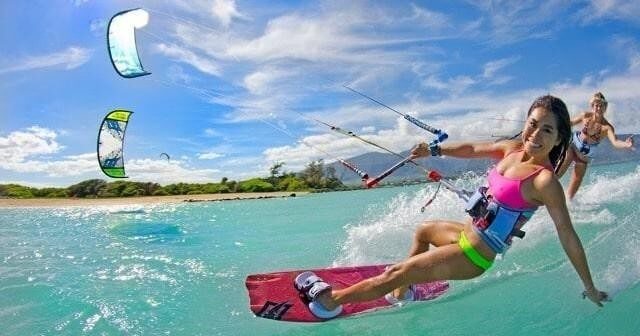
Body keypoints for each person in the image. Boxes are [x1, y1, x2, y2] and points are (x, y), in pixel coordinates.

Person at [293, 95, 609, 319]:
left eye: (547, 130)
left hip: (474, 255)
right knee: (424, 231)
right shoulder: (511, 150)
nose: (536, 134)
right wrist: (434, 149)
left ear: (558, 140)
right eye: (533, 124)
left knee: (398, 271)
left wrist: (590, 287)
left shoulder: (544, 182)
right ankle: (405, 293)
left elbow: (567, 235)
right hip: (463, 234)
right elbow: (472, 147)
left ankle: (329, 302)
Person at [557, 92, 634, 199]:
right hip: (574, 146)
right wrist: (557, 122)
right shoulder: (585, 115)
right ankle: (546, 186)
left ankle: (568, 203)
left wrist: (626, 144)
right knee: (563, 165)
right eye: (596, 105)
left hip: (584, 156)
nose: (598, 108)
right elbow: (571, 123)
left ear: (605, 108)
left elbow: (615, 142)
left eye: (601, 105)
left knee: (576, 181)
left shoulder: (607, 128)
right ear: (592, 106)